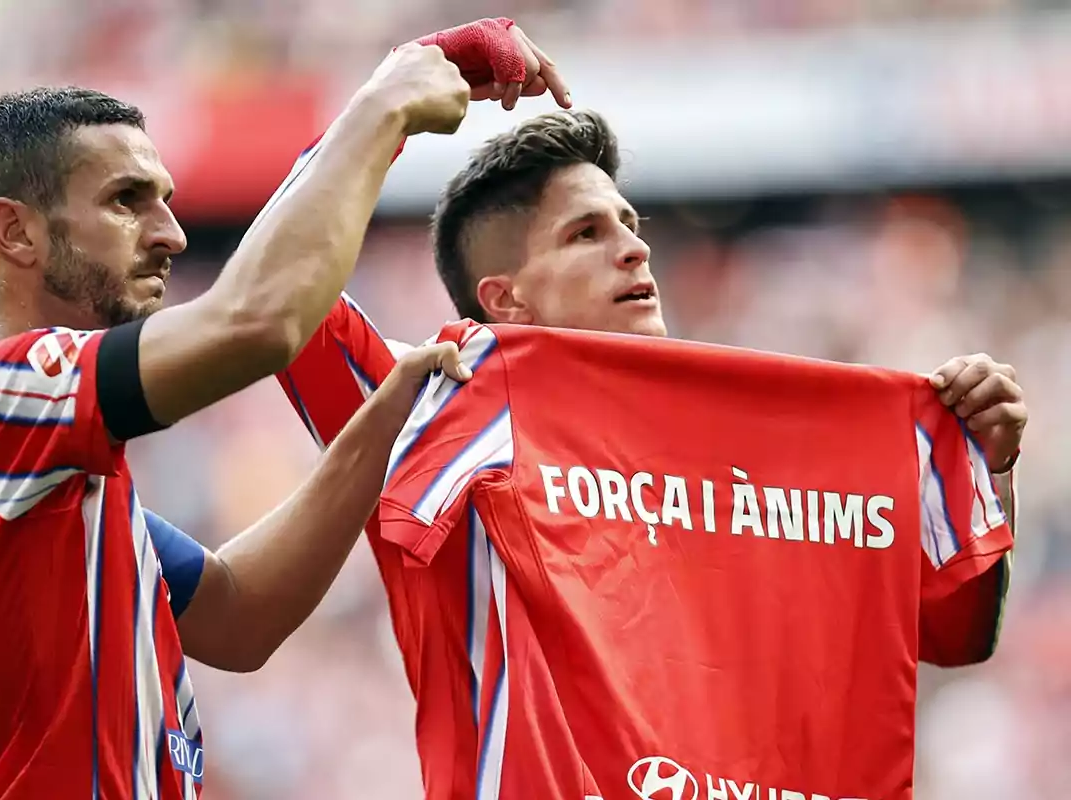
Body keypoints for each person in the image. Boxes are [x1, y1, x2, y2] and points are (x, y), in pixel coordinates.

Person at [0, 22, 570, 799]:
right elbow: (258, 324)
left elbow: (243, 615)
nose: (171, 234)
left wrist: (381, 422)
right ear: (16, 232)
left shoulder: (47, 477)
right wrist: (382, 107)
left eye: (165, 202)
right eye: (127, 202)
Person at [275, 108, 1028, 792]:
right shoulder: (441, 409)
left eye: (629, 224)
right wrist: (393, 99)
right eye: (586, 234)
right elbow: (284, 286)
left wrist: (987, 469)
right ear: (506, 301)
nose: (635, 250)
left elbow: (959, 629)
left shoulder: (766, 446)